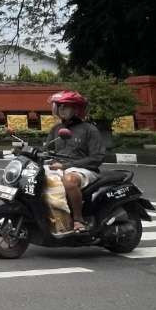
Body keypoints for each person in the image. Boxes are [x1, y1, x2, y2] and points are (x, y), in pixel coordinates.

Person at [44, 91, 106, 233]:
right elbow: (47, 151)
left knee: (69, 180)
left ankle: (78, 220)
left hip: (84, 170)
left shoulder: (89, 130)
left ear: (77, 109)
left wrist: (65, 166)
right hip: (59, 168)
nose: (61, 110)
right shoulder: (56, 129)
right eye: (59, 107)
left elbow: (97, 158)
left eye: (65, 107)